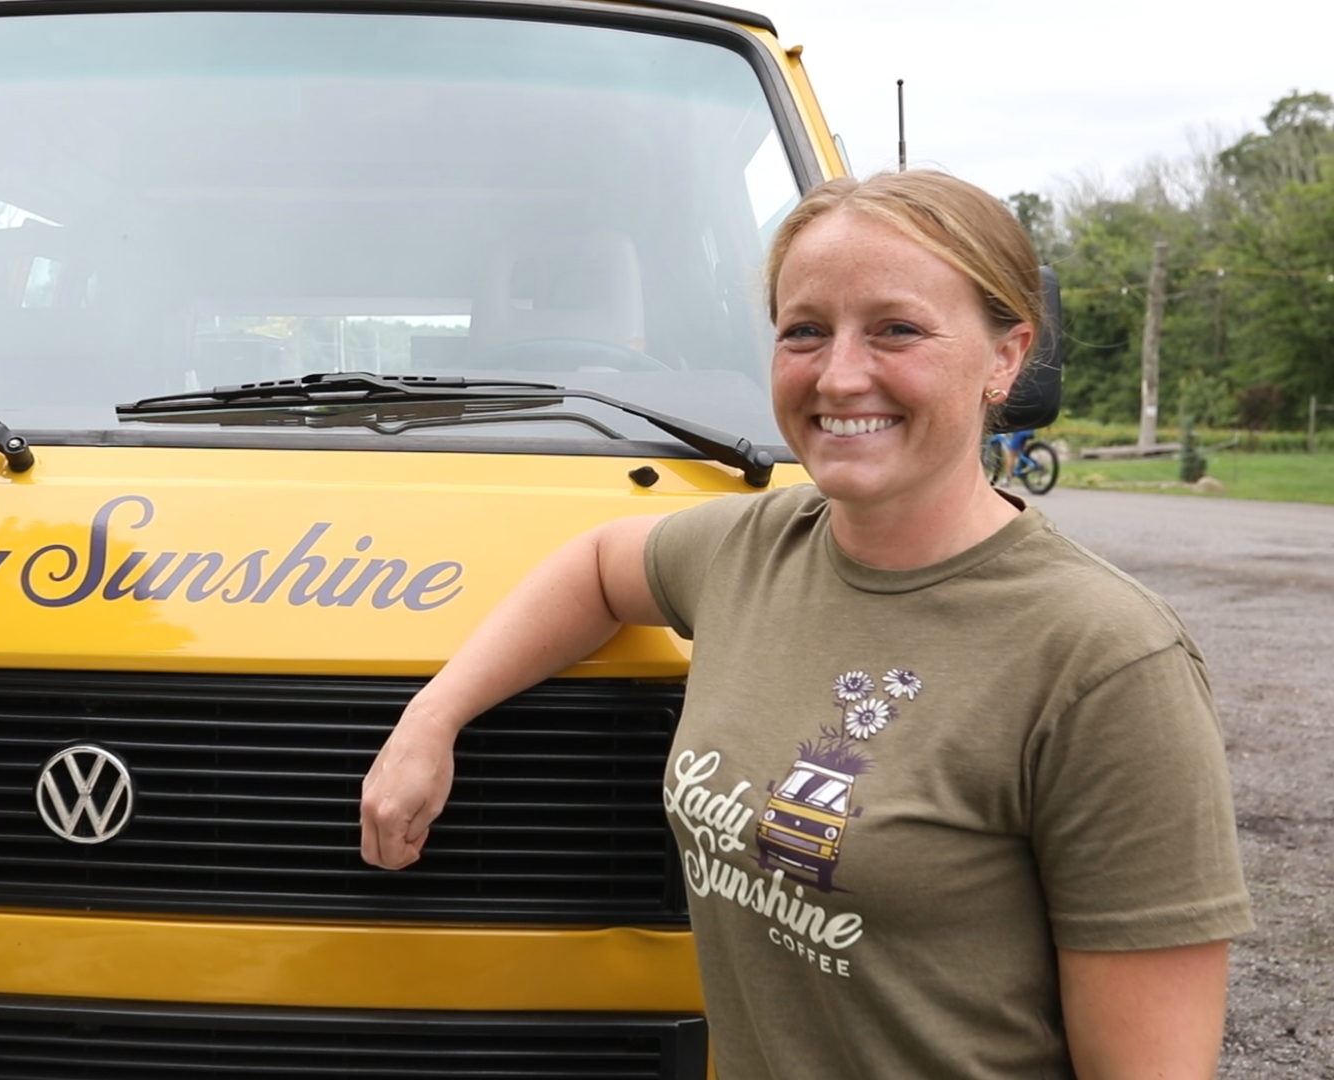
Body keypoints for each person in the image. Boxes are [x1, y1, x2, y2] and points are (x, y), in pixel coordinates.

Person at [360, 171, 1251, 1079]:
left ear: (1005, 357)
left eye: (897, 329)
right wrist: (432, 719)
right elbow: (595, 566)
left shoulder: (1107, 664)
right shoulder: (752, 550)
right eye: (805, 331)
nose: (839, 374)